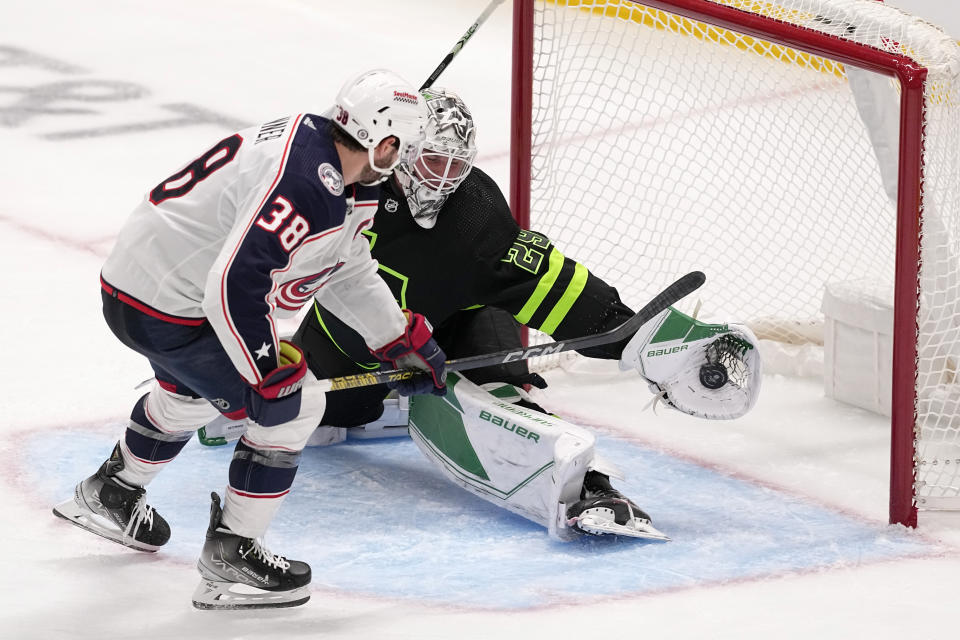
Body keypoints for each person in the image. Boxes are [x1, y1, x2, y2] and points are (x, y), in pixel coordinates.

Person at [202, 88, 762, 541]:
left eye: (456, 163)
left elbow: (548, 284)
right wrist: (246, 366)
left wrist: (637, 338)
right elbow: (264, 274)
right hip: (355, 338)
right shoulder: (349, 188)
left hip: (461, 324)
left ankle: (588, 487)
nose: (443, 176)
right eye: (432, 159)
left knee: (499, 395)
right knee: (326, 409)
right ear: (399, 149)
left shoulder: (475, 214)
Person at [52, 69, 448, 610]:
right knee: (296, 402)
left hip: (145, 286)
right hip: (170, 304)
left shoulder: (338, 171)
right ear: (384, 142)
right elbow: (232, 285)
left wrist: (394, 337)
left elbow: (345, 266)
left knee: (192, 393)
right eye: (403, 149)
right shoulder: (309, 184)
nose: (404, 162)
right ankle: (233, 557)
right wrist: (268, 373)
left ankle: (111, 494)